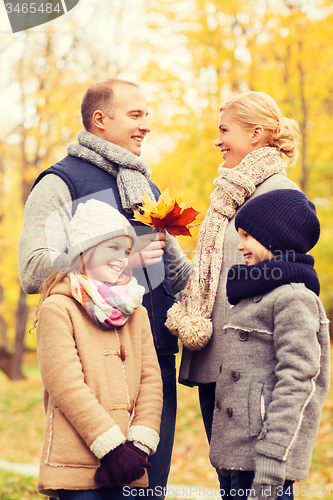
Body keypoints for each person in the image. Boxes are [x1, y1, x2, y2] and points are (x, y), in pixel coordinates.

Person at [18, 78, 192, 498]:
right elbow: (31, 269)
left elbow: (180, 276)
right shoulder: (60, 182)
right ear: (100, 119)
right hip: (89, 365)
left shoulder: (146, 188)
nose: (146, 125)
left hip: (154, 362)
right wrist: (119, 262)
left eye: (147, 115)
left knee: (148, 489)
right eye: (136, 115)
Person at [165, 91, 300, 490]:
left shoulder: (278, 193)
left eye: (225, 130)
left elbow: (286, 288)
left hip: (254, 372)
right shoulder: (230, 195)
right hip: (219, 361)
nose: (218, 140)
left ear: (256, 133)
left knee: (260, 485)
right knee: (231, 482)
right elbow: (216, 273)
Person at [35, 200, 163, 500]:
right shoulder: (59, 307)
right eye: (112, 248)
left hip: (130, 463)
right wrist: (112, 448)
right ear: (85, 249)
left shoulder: (135, 309)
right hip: (78, 463)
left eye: (126, 251)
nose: (122, 258)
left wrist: (137, 446)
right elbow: (66, 386)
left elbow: (151, 381)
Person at [209, 189, 330, 500]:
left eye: (248, 235)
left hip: (266, 463)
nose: (240, 245)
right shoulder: (251, 294)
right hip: (237, 458)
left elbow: (298, 383)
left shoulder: (294, 298)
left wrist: (272, 464)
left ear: (276, 238)